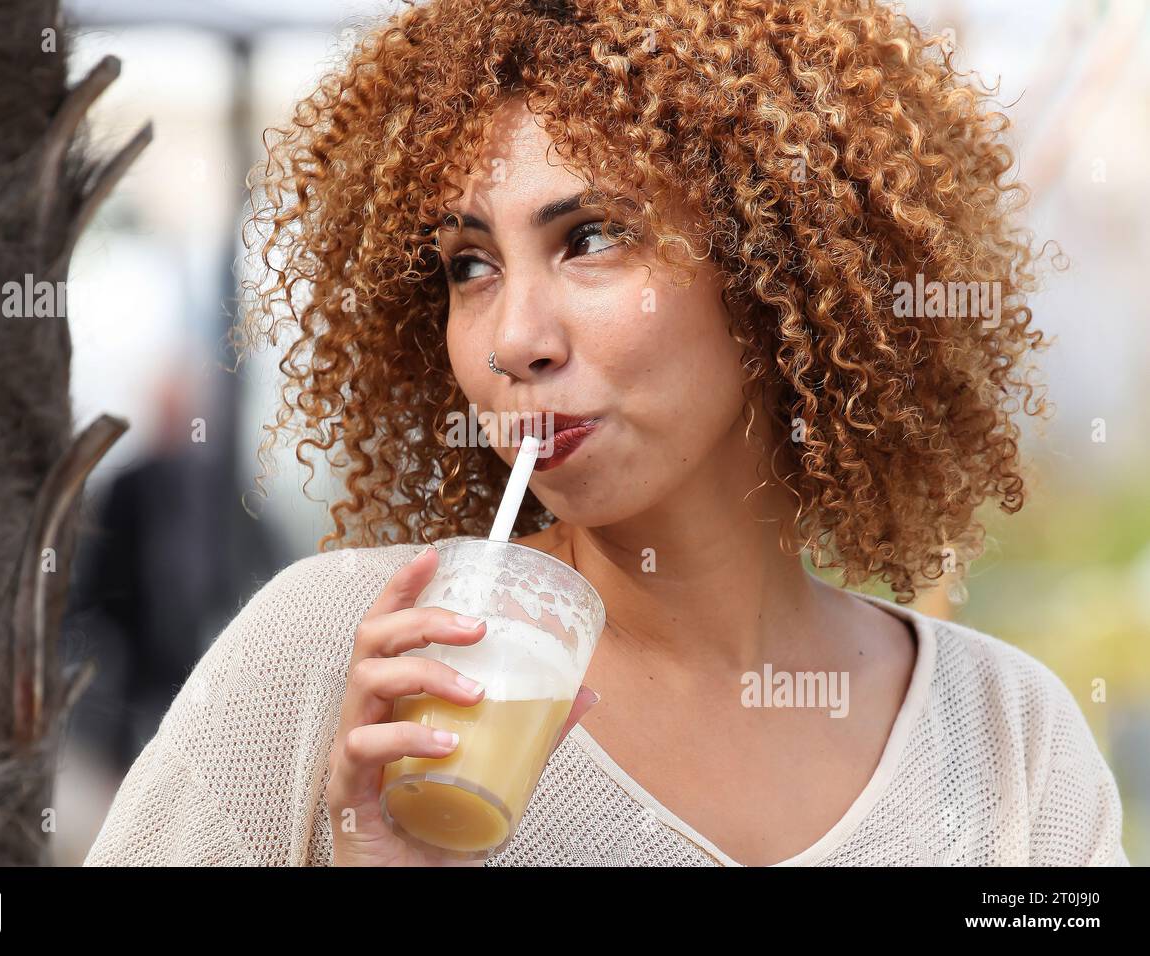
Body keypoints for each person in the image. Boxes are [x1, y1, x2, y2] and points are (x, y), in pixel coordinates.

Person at [84, 0, 1128, 866]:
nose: (513, 339)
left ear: (777, 264)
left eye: (589, 238)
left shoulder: (1008, 743)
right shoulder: (356, 665)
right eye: (468, 265)